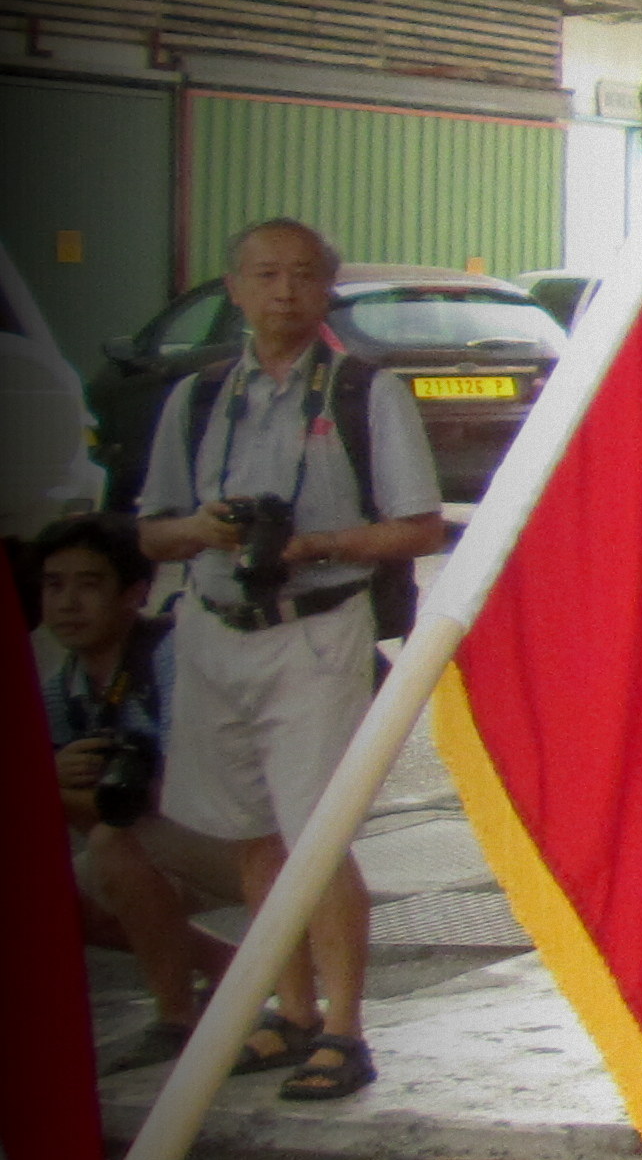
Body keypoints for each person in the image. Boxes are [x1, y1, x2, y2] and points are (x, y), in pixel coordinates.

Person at [128, 218, 447, 1105]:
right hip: (216, 631)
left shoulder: (362, 392)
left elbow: (421, 528)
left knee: (319, 834)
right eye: (266, 275)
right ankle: (291, 1008)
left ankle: (346, 1027)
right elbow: (152, 532)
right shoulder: (196, 401)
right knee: (257, 839)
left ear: (325, 293)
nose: (284, 292)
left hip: (315, 630)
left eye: (304, 277)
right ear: (233, 288)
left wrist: (311, 545)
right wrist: (207, 529)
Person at [33, 511, 233, 1060]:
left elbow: (184, 785)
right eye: (54, 586)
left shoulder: (169, 656)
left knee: (112, 847)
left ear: (134, 593)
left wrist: (64, 787)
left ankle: (176, 1019)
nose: (68, 604)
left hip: (245, 837)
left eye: (89, 584)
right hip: (170, 840)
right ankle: (228, 969)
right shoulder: (65, 689)